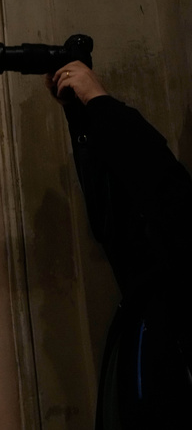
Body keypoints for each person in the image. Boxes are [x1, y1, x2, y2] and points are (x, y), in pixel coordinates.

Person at [48, 61, 192, 429]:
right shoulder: (149, 299)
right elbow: (121, 226)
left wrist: (98, 103)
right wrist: (83, 116)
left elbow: (168, 199)